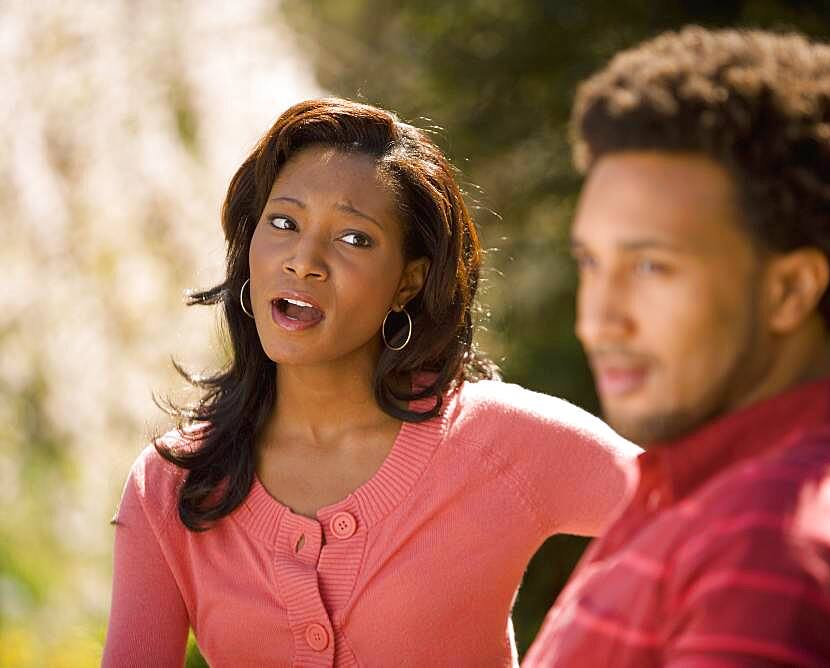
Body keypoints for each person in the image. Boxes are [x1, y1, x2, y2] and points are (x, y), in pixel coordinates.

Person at [102, 97, 641, 667]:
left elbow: (722, 522)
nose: (303, 260)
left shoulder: (498, 440)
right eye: (283, 223)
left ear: (407, 284)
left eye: (354, 239)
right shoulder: (172, 485)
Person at [525, 27, 830, 666]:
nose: (598, 321)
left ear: (790, 289)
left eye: (651, 266)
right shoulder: (741, 494)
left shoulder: (770, 544)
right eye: (591, 263)